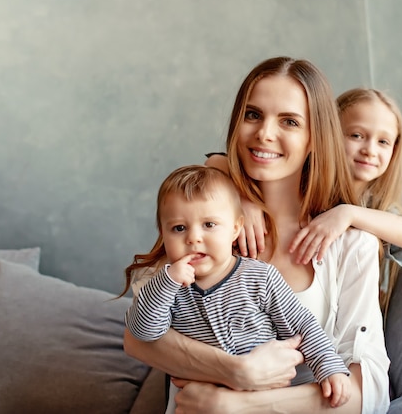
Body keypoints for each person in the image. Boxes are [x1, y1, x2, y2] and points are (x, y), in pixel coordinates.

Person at [124, 57, 390, 414]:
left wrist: (235, 405)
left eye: (290, 122)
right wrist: (237, 371)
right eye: (253, 115)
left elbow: (365, 394)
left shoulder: (352, 246)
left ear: (316, 138)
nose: (264, 133)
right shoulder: (202, 225)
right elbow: (138, 339)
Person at [122, 165, 352, 413]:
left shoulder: (260, 278)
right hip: (196, 405)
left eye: (209, 224)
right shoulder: (168, 289)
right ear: (164, 234)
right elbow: (144, 331)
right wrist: (167, 282)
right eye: (179, 228)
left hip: (258, 404)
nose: (193, 238)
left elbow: (303, 325)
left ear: (235, 228)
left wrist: (329, 366)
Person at [212, 87, 402, 315]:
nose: (370, 150)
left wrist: (348, 213)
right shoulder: (302, 180)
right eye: (356, 135)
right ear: (326, 135)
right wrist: (242, 196)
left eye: (383, 142)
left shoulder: (374, 206)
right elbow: (216, 161)